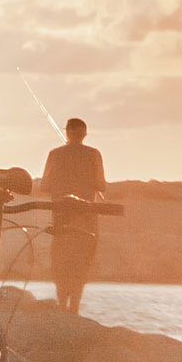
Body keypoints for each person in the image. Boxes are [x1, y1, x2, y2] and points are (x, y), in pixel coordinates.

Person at [42, 115, 107, 319]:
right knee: (83, 260)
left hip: (61, 217)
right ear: (85, 134)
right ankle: (74, 309)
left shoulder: (54, 154)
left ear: (66, 133)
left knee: (61, 261)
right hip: (86, 218)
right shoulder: (94, 154)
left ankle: (62, 307)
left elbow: (44, 186)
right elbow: (102, 185)